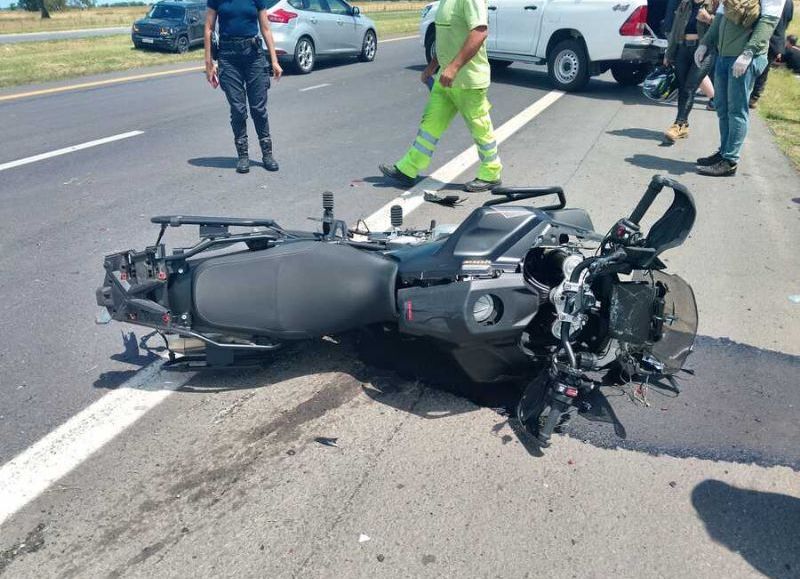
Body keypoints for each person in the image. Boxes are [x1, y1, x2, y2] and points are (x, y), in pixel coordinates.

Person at [379, 0, 502, 192]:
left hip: (468, 81)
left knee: (479, 127)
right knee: (429, 125)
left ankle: (491, 172)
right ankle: (408, 168)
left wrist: (453, 67)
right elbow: (447, 41)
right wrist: (432, 67)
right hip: (445, 79)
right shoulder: (445, 2)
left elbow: (479, 33)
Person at [694, 0, 787, 176]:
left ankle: (730, 160)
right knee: (722, 107)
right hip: (724, 55)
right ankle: (724, 152)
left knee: (736, 110)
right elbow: (721, 15)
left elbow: (768, 22)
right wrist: (705, 42)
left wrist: (749, 52)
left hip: (743, 58)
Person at [204, 0, 283, 174]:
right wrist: (209, 62)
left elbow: (266, 28)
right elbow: (208, 28)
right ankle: (243, 156)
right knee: (238, 109)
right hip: (228, 57)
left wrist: (274, 61)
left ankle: (267, 154)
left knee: (258, 108)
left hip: (254, 56)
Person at [663, 0, 719, 142]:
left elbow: (725, 27)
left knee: (689, 87)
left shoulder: (715, 3)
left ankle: (678, 124)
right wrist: (669, 54)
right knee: (683, 88)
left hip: (705, 51)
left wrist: (709, 19)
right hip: (683, 48)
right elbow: (676, 28)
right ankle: (684, 125)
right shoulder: (685, 3)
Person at [749, 0, 793, 107]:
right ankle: (754, 97)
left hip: (762, 35)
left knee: (751, 66)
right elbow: (787, 20)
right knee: (764, 70)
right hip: (776, 39)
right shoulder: (789, 2)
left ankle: (750, 94)